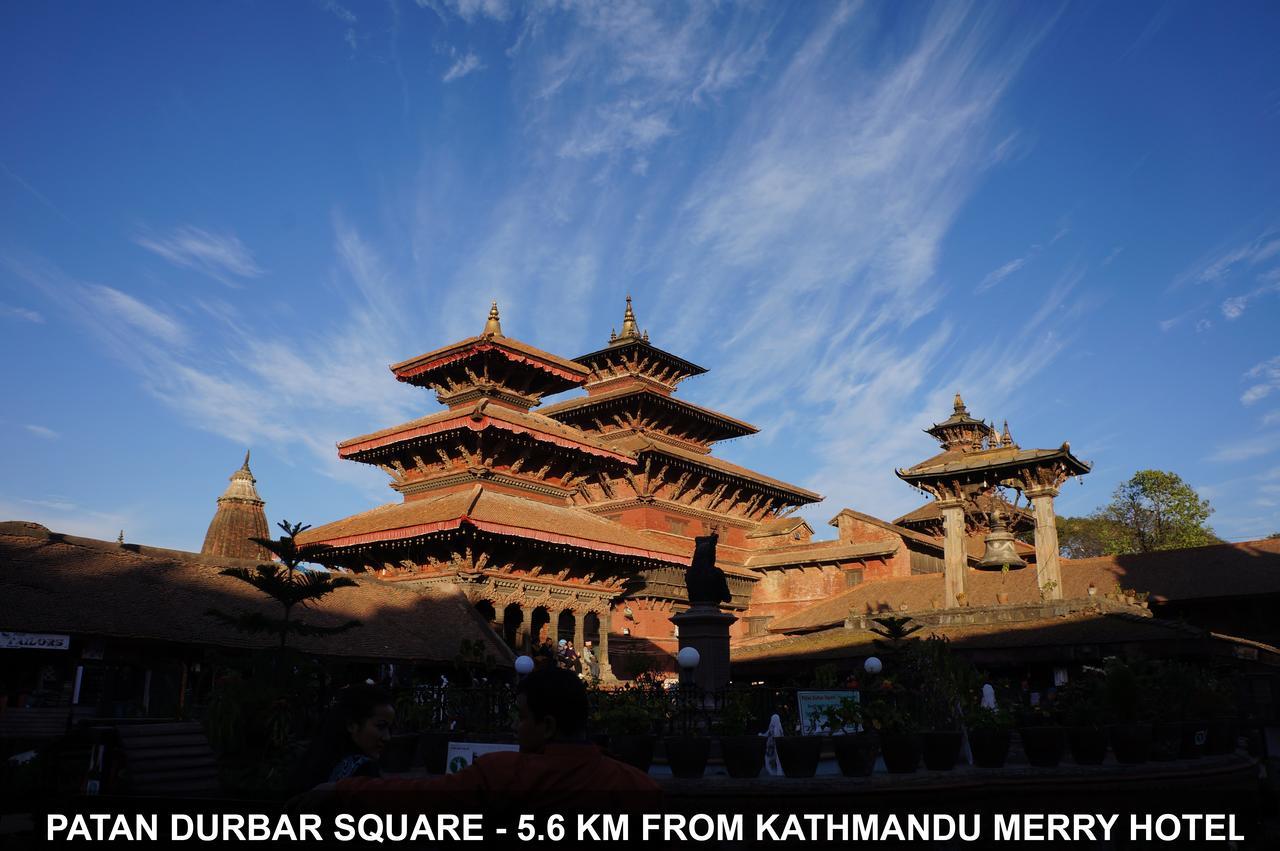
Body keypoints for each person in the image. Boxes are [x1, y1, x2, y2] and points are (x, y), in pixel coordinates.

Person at [308, 668, 659, 814]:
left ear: (547, 725)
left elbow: (421, 795)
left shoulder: (502, 773)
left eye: (522, 717)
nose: (515, 726)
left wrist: (339, 790)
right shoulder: (639, 787)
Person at [293, 684, 396, 792]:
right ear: (352, 725)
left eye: (390, 729)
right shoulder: (364, 772)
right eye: (380, 726)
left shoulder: (315, 760)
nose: (387, 737)